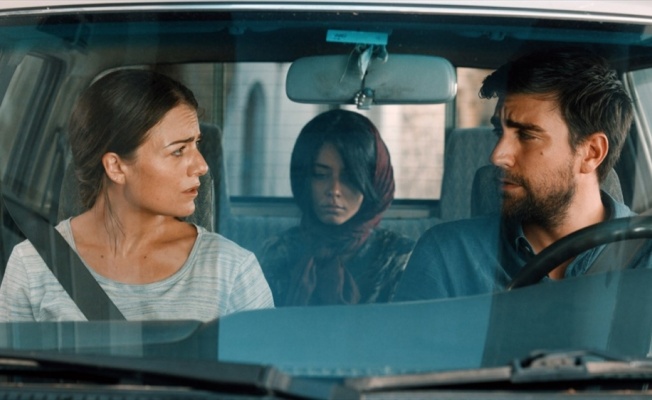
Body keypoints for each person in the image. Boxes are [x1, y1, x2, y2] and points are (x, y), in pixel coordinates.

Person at [0, 69, 274, 321]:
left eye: (197, 144)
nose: (202, 166)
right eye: (179, 150)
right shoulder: (33, 265)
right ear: (116, 167)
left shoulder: (232, 270)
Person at [393, 47, 647, 301]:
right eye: (499, 132)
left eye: (526, 135)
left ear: (591, 153)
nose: (497, 156)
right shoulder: (449, 256)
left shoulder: (645, 256)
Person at [257, 109, 414, 306]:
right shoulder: (278, 252)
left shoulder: (401, 258)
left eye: (350, 178)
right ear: (304, 180)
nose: (334, 190)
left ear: (374, 182)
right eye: (320, 175)